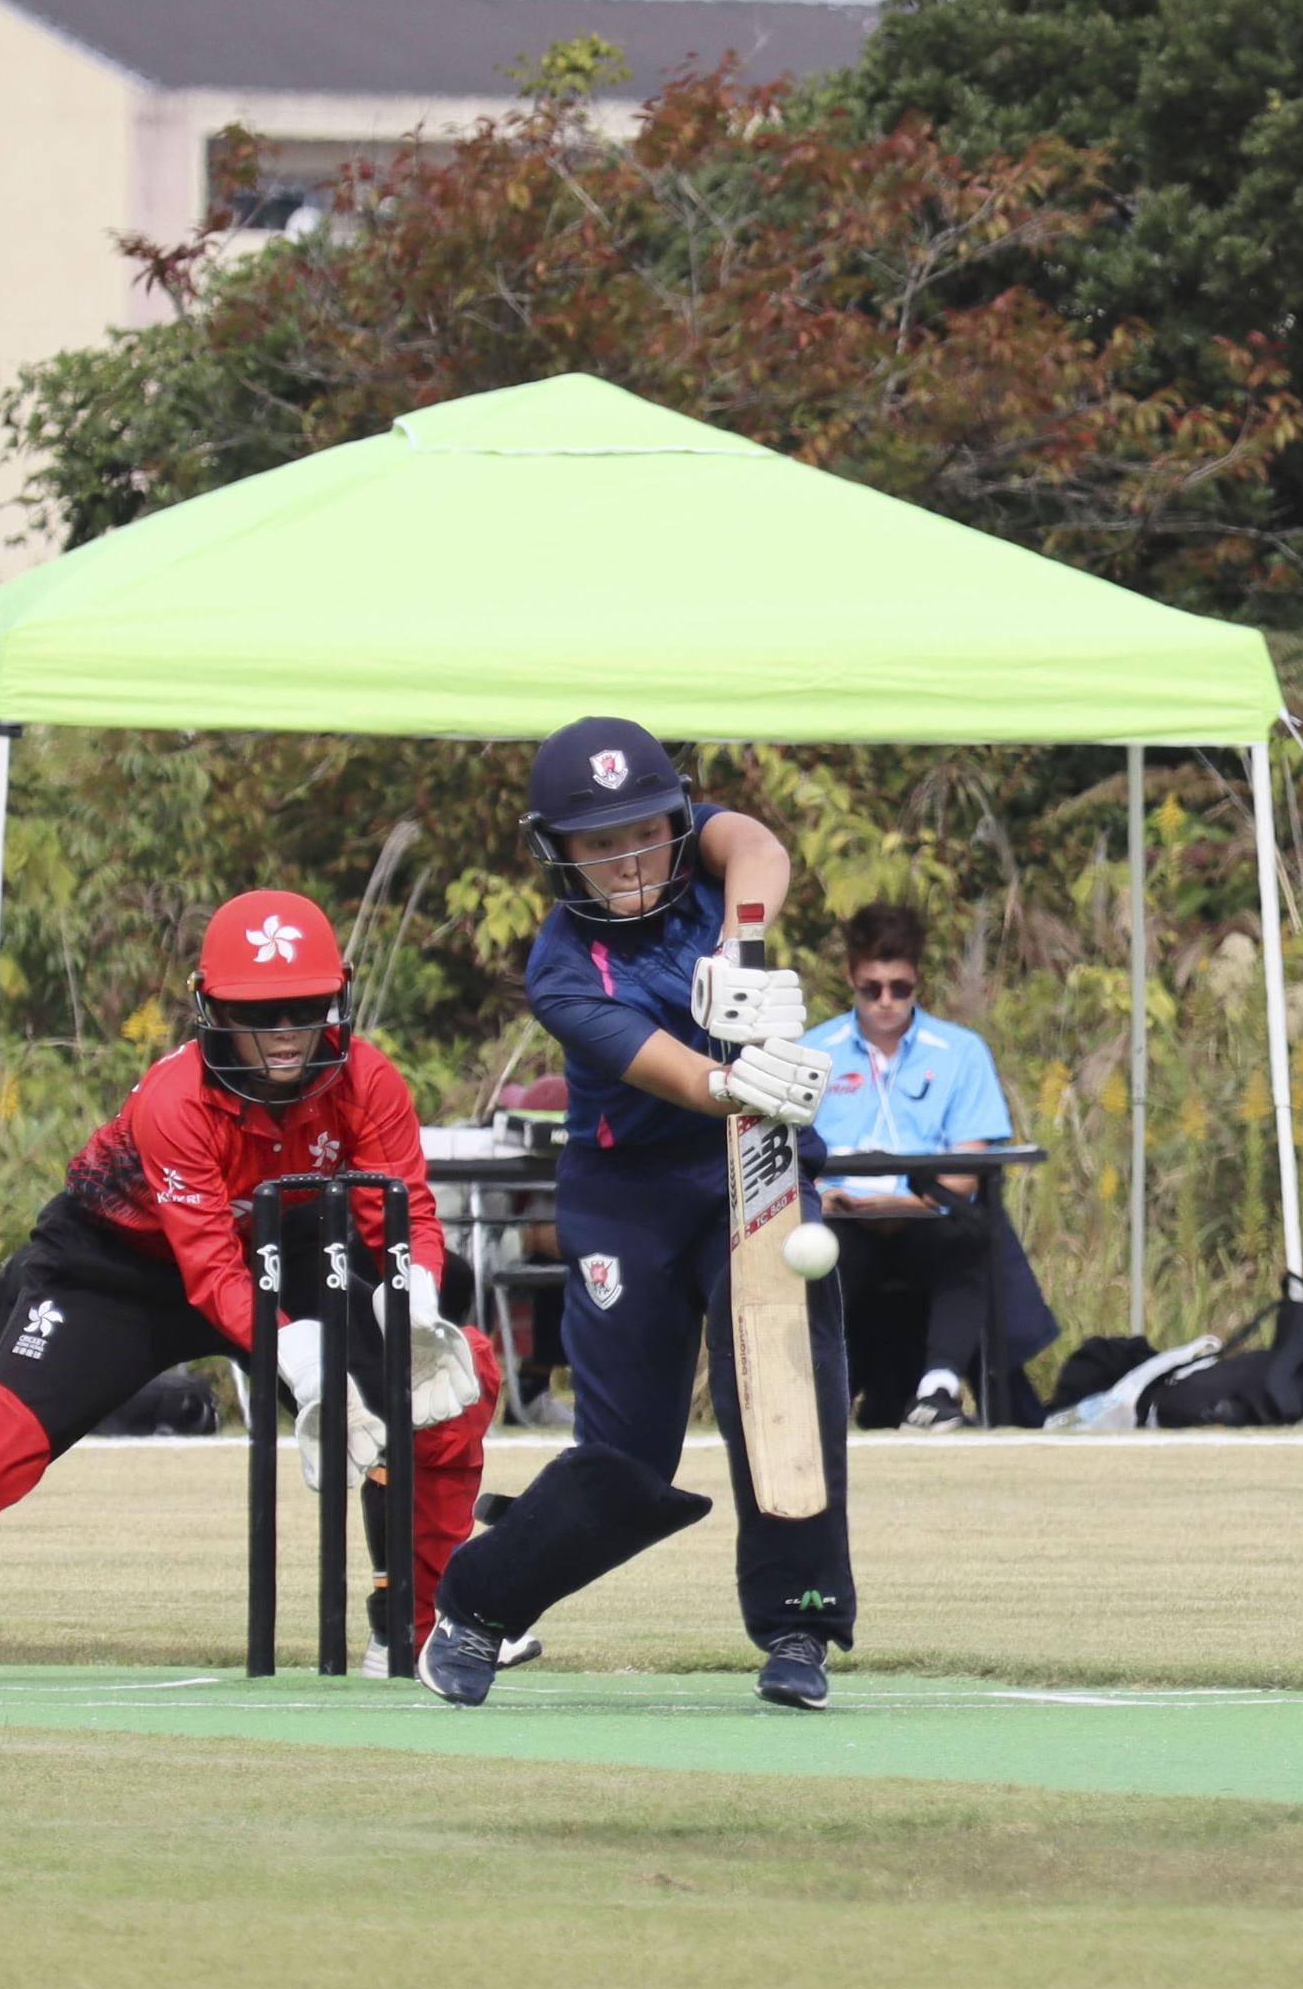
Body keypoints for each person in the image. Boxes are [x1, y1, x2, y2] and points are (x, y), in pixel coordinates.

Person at [0, 892, 493, 1678]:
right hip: (120, 1266)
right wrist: (301, 1358)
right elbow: (211, 1271)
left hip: (296, 1248)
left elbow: (401, 1213)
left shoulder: (366, 1078)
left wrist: (415, 1303)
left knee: (448, 1385)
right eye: (259, 1011)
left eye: (304, 1007)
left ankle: (422, 1628)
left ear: (335, 999)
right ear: (212, 1008)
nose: (285, 1032)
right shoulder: (176, 1101)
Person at [420, 719, 852, 1711]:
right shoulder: (562, 969)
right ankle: (479, 1603)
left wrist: (740, 944)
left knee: (784, 1387)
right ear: (557, 852)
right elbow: (685, 1081)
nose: (628, 858)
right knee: (625, 1460)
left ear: (674, 820)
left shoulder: (706, 859)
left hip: (751, 1164)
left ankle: (799, 1623)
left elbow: (759, 845)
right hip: (629, 1194)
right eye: (599, 841)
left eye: (645, 832)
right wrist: (736, 1078)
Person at [802, 901, 1042, 1431]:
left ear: (918, 981)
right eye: (872, 989)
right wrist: (831, 1199)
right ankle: (817, 1394)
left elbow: (967, 1170)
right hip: (841, 1220)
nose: (886, 1002)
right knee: (813, 1251)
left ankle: (938, 1390)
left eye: (900, 988)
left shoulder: (961, 1051)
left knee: (973, 1236)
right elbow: (788, 1161)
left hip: (928, 1216)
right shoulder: (810, 1052)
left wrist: (900, 1204)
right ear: (850, 977)